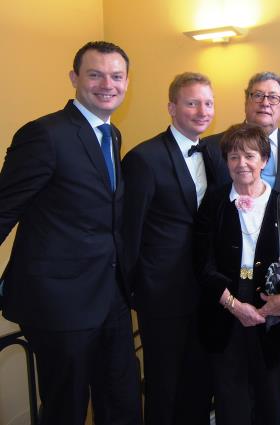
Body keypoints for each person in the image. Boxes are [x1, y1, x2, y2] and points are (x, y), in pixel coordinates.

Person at [0, 41, 141, 425]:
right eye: (95, 74)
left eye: (116, 76)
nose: (106, 84)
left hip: (110, 296)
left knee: (122, 401)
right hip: (60, 304)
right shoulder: (44, 134)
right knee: (67, 410)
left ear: (127, 81)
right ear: (74, 78)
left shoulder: (113, 136)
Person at [194, 123, 280, 425]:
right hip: (224, 309)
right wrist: (232, 304)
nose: (242, 164)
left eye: (250, 156)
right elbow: (201, 261)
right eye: (234, 157)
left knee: (268, 397)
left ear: (264, 160)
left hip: (273, 316)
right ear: (226, 162)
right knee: (230, 398)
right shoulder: (213, 202)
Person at [122, 72, 229, 425]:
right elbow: (129, 231)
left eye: (208, 103)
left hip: (207, 288)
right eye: (192, 102)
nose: (202, 111)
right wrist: (132, 289)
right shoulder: (144, 158)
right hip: (163, 292)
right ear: (171, 107)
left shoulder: (215, 152)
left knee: (200, 380)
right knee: (164, 382)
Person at [202, 71, 280, 195]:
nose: (265, 103)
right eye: (258, 95)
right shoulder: (211, 147)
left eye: (273, 97)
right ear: (246, 103)